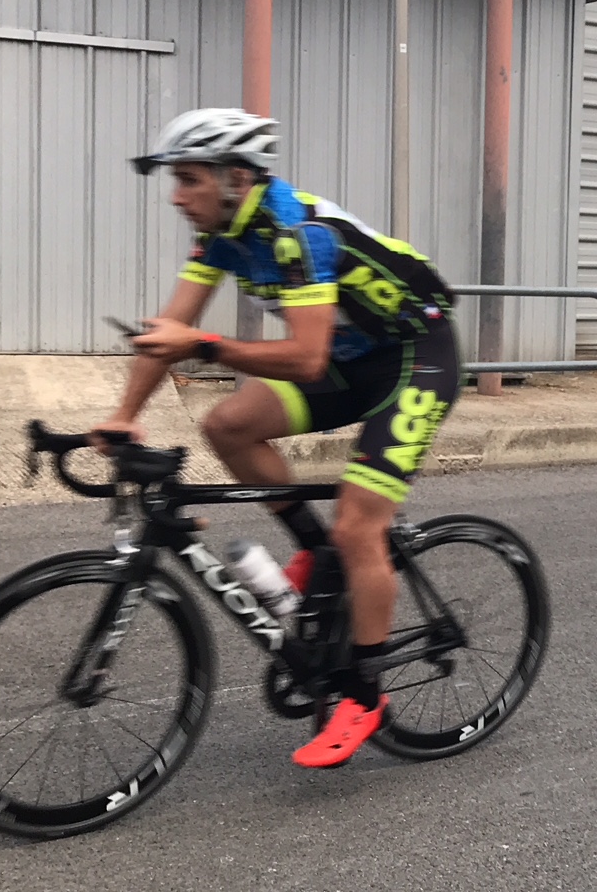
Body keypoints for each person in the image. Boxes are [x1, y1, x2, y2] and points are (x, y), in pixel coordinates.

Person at [100, 108, 461, 768]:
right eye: (176, 181)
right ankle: (315, 551)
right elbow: (170, 328)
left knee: (359, 526)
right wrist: (124, 415)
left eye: (189, 180)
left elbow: (304, 359)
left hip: (415, 357)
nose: (177, 197)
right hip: (349, 358)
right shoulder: (220, 236)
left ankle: (364, 694)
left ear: (236, 179)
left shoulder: (298, 234)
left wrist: (204, 345)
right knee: (227, 425)